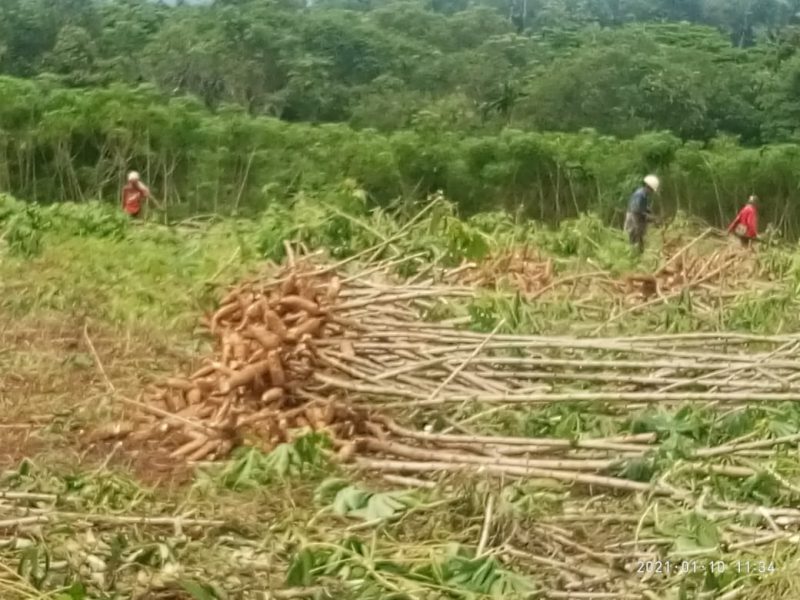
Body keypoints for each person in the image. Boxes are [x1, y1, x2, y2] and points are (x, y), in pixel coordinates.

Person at [624, 174, 660, 254]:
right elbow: (636, 210)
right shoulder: (639, 195)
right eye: (651, 190)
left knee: (640, 237)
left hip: (637, 216)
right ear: (648, 187)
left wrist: (649, 211)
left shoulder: (644, 195)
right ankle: (633, 254)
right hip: (633, 217)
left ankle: (639, 253)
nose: (651, 192)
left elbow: (643, 207)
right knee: (634, 237)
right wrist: (650, 217)